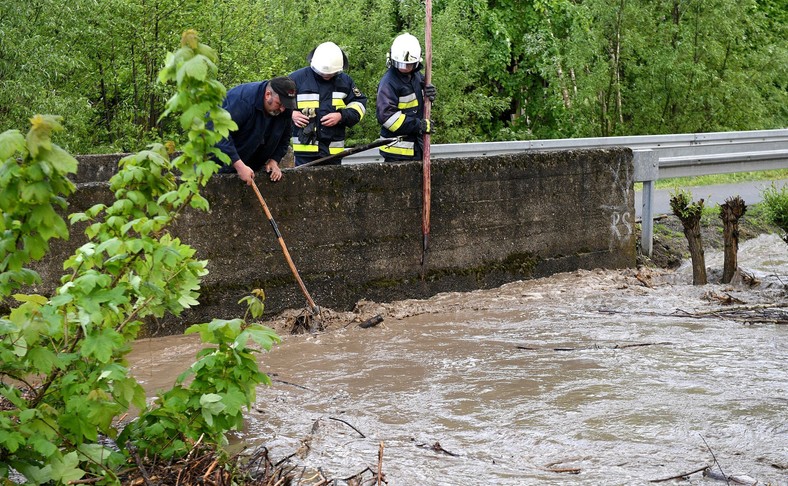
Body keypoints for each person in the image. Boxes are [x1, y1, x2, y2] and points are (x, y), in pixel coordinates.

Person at [289, 42, 367, 166]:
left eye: (331, 74)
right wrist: (291, 114)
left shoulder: (345, 81)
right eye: (322, 73)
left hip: (334, 152)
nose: (326, 75)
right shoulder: (296, 79)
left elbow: (360, 105)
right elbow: (277, 105)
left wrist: (341, 116)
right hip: (305, 152)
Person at [214, 76, 297, 185]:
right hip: (217, 164)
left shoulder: (284, 108)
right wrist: (239, 165)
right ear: (268, 95)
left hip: (250, 167)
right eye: (280, 104)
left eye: (286, 106)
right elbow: (219, 132)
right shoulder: (242, 100)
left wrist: (274, 160)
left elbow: (285, 138)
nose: (282, 109)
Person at [376, 32, 436, 162]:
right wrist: (418, 125)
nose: (404, 68)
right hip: (396, 151)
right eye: (400, 64)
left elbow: (419, 107)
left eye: (409, 65)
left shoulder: (417, 77)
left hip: (416, 147)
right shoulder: (389, 82)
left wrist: (429, 97)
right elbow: (387, 117)